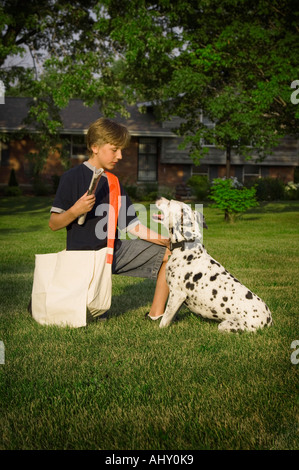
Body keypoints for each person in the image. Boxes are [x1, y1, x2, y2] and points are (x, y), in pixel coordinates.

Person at [49, 117, 170, 320]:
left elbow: (132, 226)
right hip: (83, 260)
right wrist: (75, 211)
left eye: (121, 150)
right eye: (115, 149)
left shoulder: (114, 182)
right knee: (83, 315)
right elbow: (54, 224)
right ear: (95, 147)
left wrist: (167, 241)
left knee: (171, 254)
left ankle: (156, 314)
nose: (120, 156)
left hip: (112, 254)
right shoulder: (71, 178)